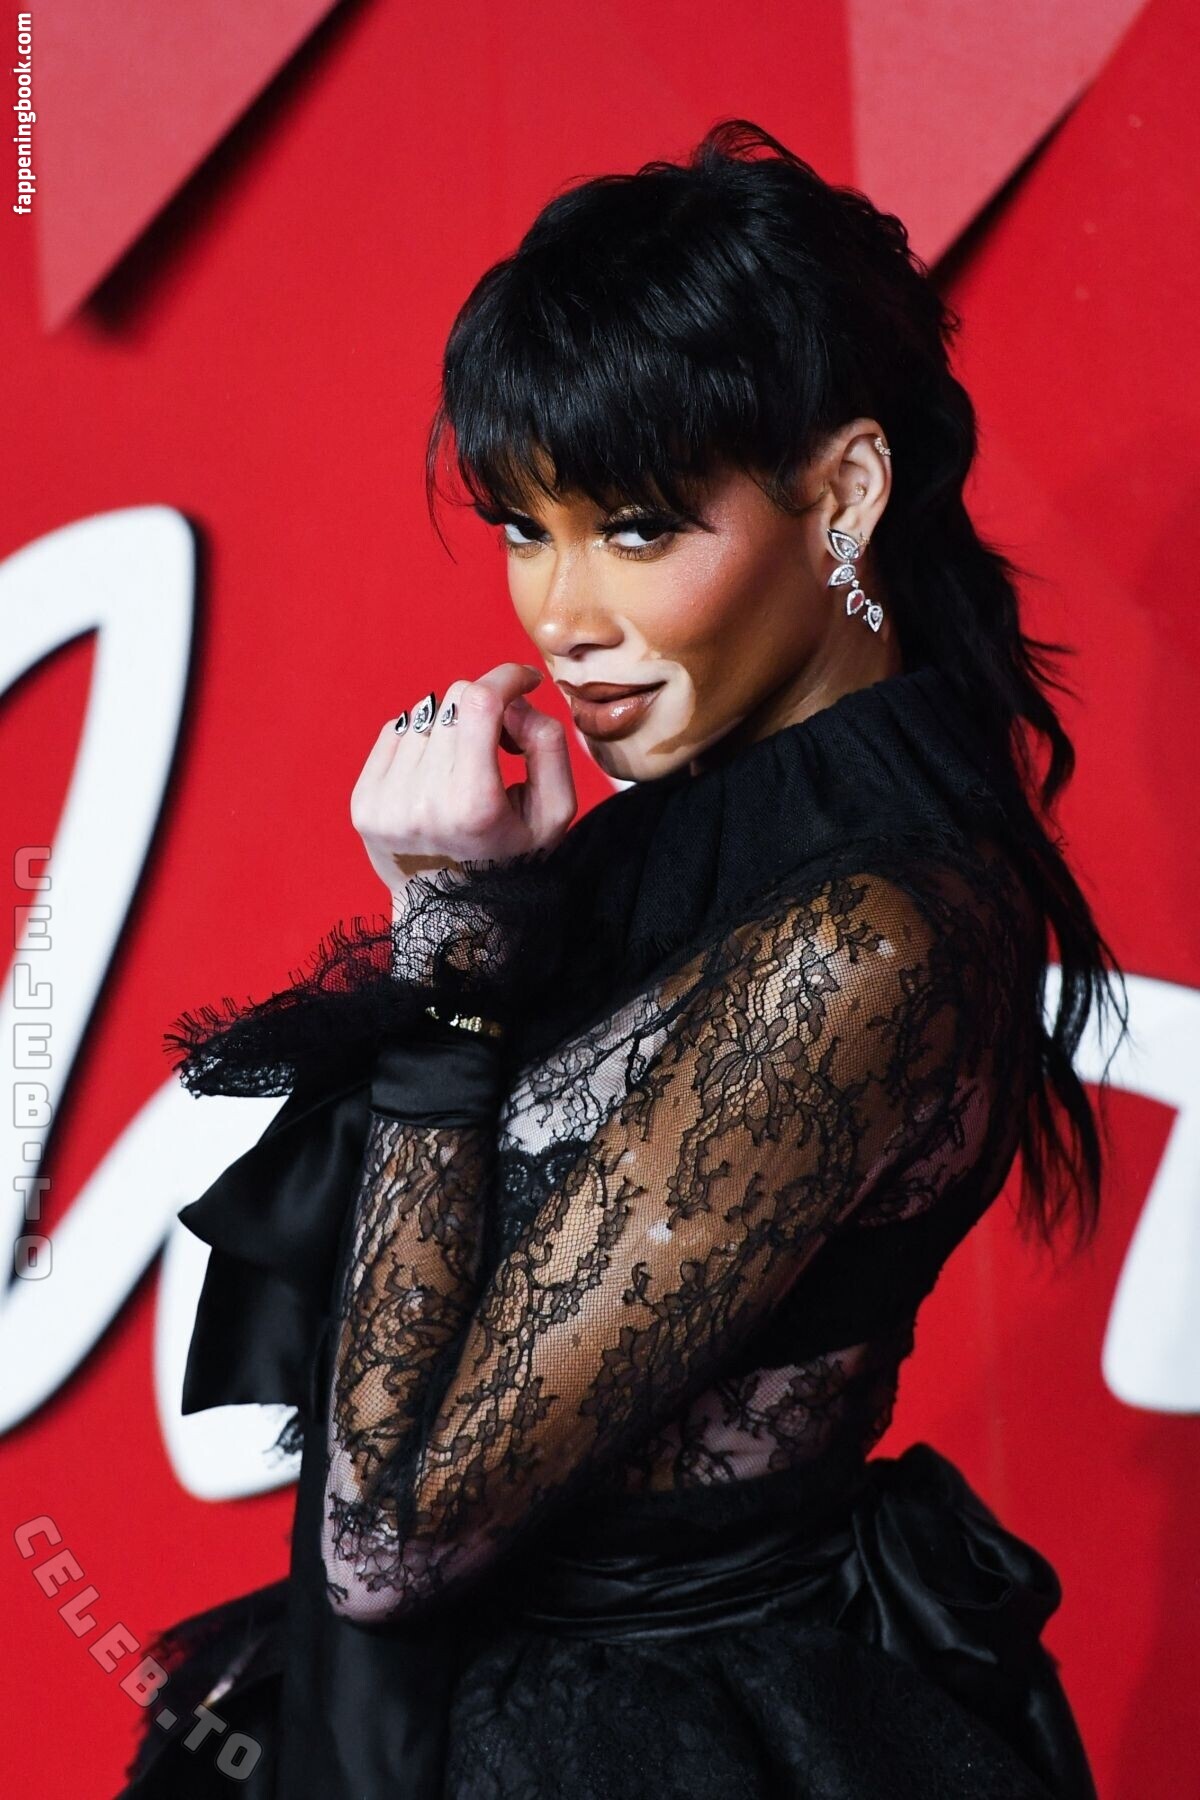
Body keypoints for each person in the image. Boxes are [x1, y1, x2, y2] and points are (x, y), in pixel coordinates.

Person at [116, 118, 1127, 1798]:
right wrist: (462, 931)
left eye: (640, 528)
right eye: (527, 528)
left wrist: (451, 955)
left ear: (844, 495)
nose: (563, 617)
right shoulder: (664, 847)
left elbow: (387, 1541)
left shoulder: (865, 942)